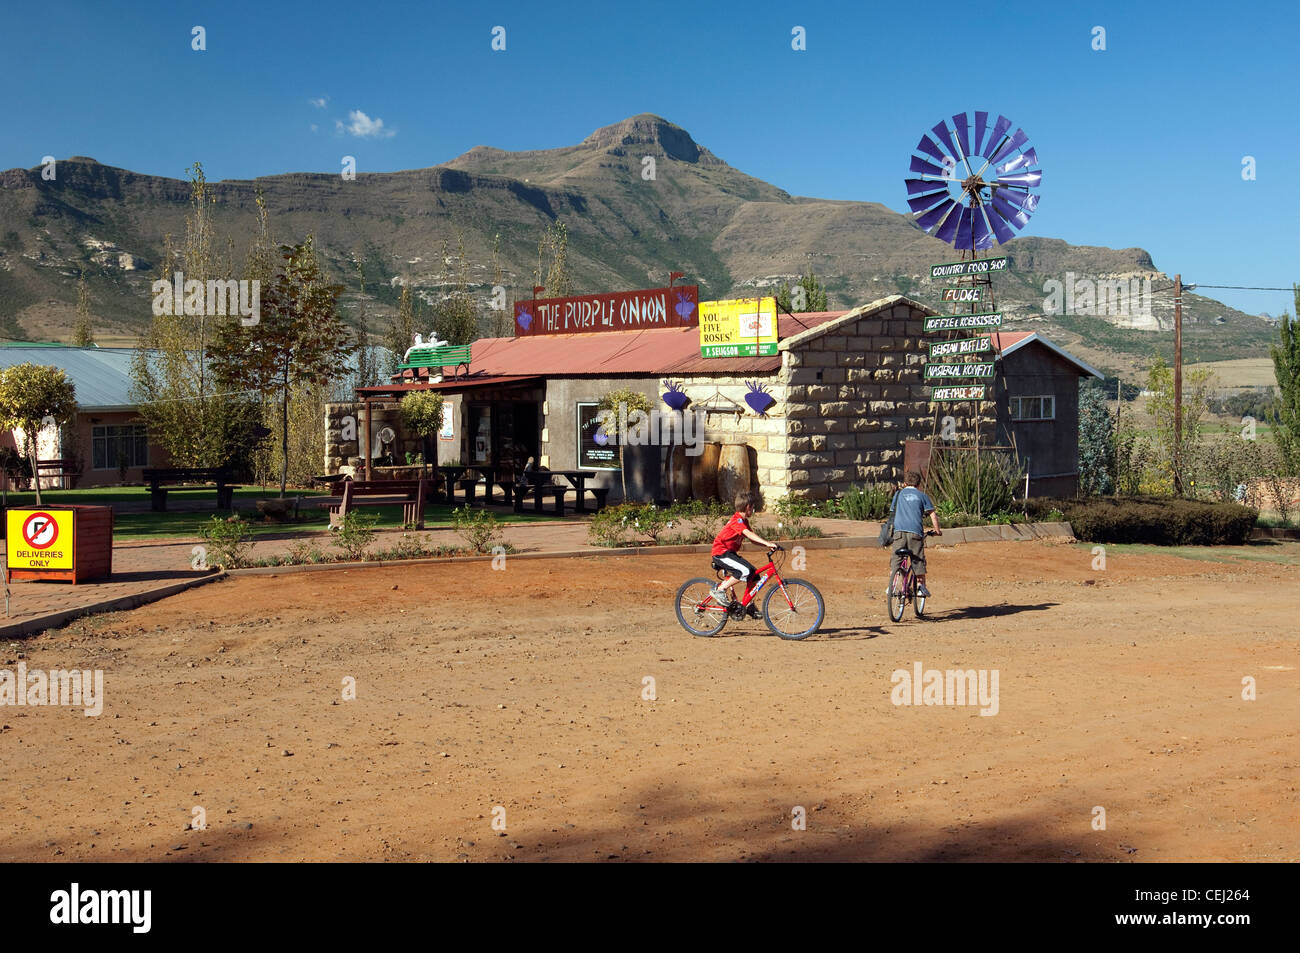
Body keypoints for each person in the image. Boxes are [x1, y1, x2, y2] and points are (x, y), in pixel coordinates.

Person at [710, 493, 778, 611]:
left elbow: (752, 539)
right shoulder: (737, 520)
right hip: (721, 553)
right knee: (745, 570)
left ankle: (747, 604)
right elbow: (748, 533)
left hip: (730, 553)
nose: (753, 510)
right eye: (752, 507)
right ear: (747, 507)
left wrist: (767, 544)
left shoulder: (744, 521)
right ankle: (720, 590)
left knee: (754, 575)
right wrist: (767, 543)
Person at [889, 470, 941, 598]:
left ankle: (892, 585)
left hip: (899, 531)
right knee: (917, 559)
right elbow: (932, 515)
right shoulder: (922, 496)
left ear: (905, 483)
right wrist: (937, 531)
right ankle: (920, 587)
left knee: (896, 560)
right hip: (915, 533)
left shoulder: (898, 494)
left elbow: (892, 512)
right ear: (918, 484)